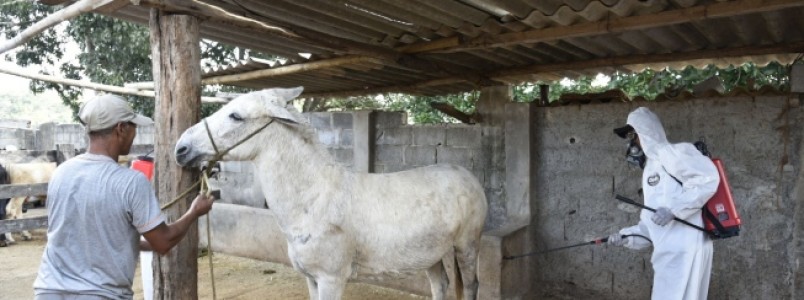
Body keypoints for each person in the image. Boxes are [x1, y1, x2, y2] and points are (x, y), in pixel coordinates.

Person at [33, 94, 215, 299]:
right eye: (133, 126)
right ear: (121, 129)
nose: (135, 133)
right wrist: (194, 212)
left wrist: (139, 244)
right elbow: (163, 242)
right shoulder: (131, 182)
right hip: (100, 294)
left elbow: (87, 235)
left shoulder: (61, 173)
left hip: (48, 290)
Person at [607, 107, 719, 300]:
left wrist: (675, 210)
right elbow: (651, 224)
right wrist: (626, 237)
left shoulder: (672, 153)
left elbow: (708, 178)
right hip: (670, 251)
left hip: (686, 247)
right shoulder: (650, 168)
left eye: (633, 136)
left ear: (645, 132)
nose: (632, 143)